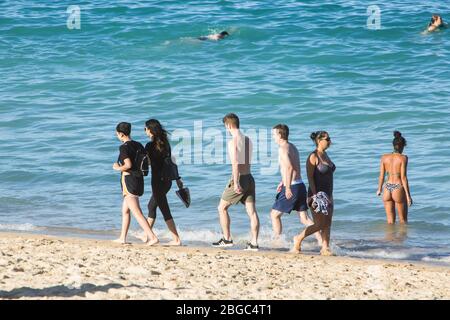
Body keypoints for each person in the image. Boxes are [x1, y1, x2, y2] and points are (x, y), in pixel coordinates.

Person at [212, 113, 260, 251]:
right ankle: (254, 243)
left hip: (239, 179)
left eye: (225, 127)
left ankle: (227, 239)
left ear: (229, 125)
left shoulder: (233, 142)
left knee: (221, 208)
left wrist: (236, 182)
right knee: (252, 212)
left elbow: (235, 164)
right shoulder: (248, 140)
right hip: (250, 177)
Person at [270, 124, 322, 246]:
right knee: (304, 218)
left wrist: (287, 187)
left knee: (274, 215)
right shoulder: (292, 147)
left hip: (292, 186)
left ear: (279, 135)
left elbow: (289, 167)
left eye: (273, 134)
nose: (273, 137)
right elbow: (293, 168)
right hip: (300, 185)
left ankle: (277, 241)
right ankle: (320, 239)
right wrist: (283, 181)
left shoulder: (282, 149)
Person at [112, 122, 158, 245]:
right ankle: (122, 238)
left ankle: (152, 237)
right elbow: (147, 162)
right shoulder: (138, 145)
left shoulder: (124, 147)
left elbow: (128, 165)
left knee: (137, 212)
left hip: (129, 182)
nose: (117, 135)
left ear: (121, 134)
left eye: (117, 134)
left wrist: (117, 167)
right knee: (125, 211)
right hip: (139, 181)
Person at [292, 131, 336, 256]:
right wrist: (315, 196)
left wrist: (330, 196)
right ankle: (299, 238)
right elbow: (310, 178)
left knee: (328, 222)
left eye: (329, 138)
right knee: (319, 224)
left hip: (328, 194)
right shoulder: (313, 156)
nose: (329, 141)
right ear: (319, 140)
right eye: (327, 139)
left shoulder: (325, 155)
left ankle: (325, 248)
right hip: (316, 195)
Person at [143, 119, 183, 246]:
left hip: (157, 182)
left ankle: (176, 239)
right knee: (151, 206)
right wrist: (177, 179)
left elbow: (148, 163)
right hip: (167, 181)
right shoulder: (165, 144)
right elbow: (172, 162)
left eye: (145, 129)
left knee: (164, 209)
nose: (145, 131)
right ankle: (146, 235)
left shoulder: (149, 146)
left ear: (150, 130)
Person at [377, 131, 413, 224]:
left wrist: (379, 189)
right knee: (403, 221)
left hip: (387, 187)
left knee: (390, 222)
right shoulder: (403, 158)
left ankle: (390, 238)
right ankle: (402, 238)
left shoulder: (384, 157)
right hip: (397, 187)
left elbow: (381, 175)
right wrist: (408, 196)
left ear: (393, 145)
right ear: (402, 146)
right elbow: (404, 178)